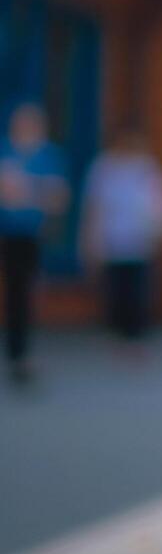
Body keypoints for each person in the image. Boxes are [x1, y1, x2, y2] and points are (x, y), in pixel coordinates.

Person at [81, 125, 162, 349]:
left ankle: (136, 337)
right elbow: (94, 207)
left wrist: (160, 229)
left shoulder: (146, 169)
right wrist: (91, 241)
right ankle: (116, 334)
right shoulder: (104, 168)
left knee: (138, 291)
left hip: (139, 241)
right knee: (115, 289)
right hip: (113, 240)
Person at [0, 104, 69, 385]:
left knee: (20, 294)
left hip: (26, 236)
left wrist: (24, 190)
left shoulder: (49, 156)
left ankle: (19, 355)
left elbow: (58, 199)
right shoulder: (4, 150)